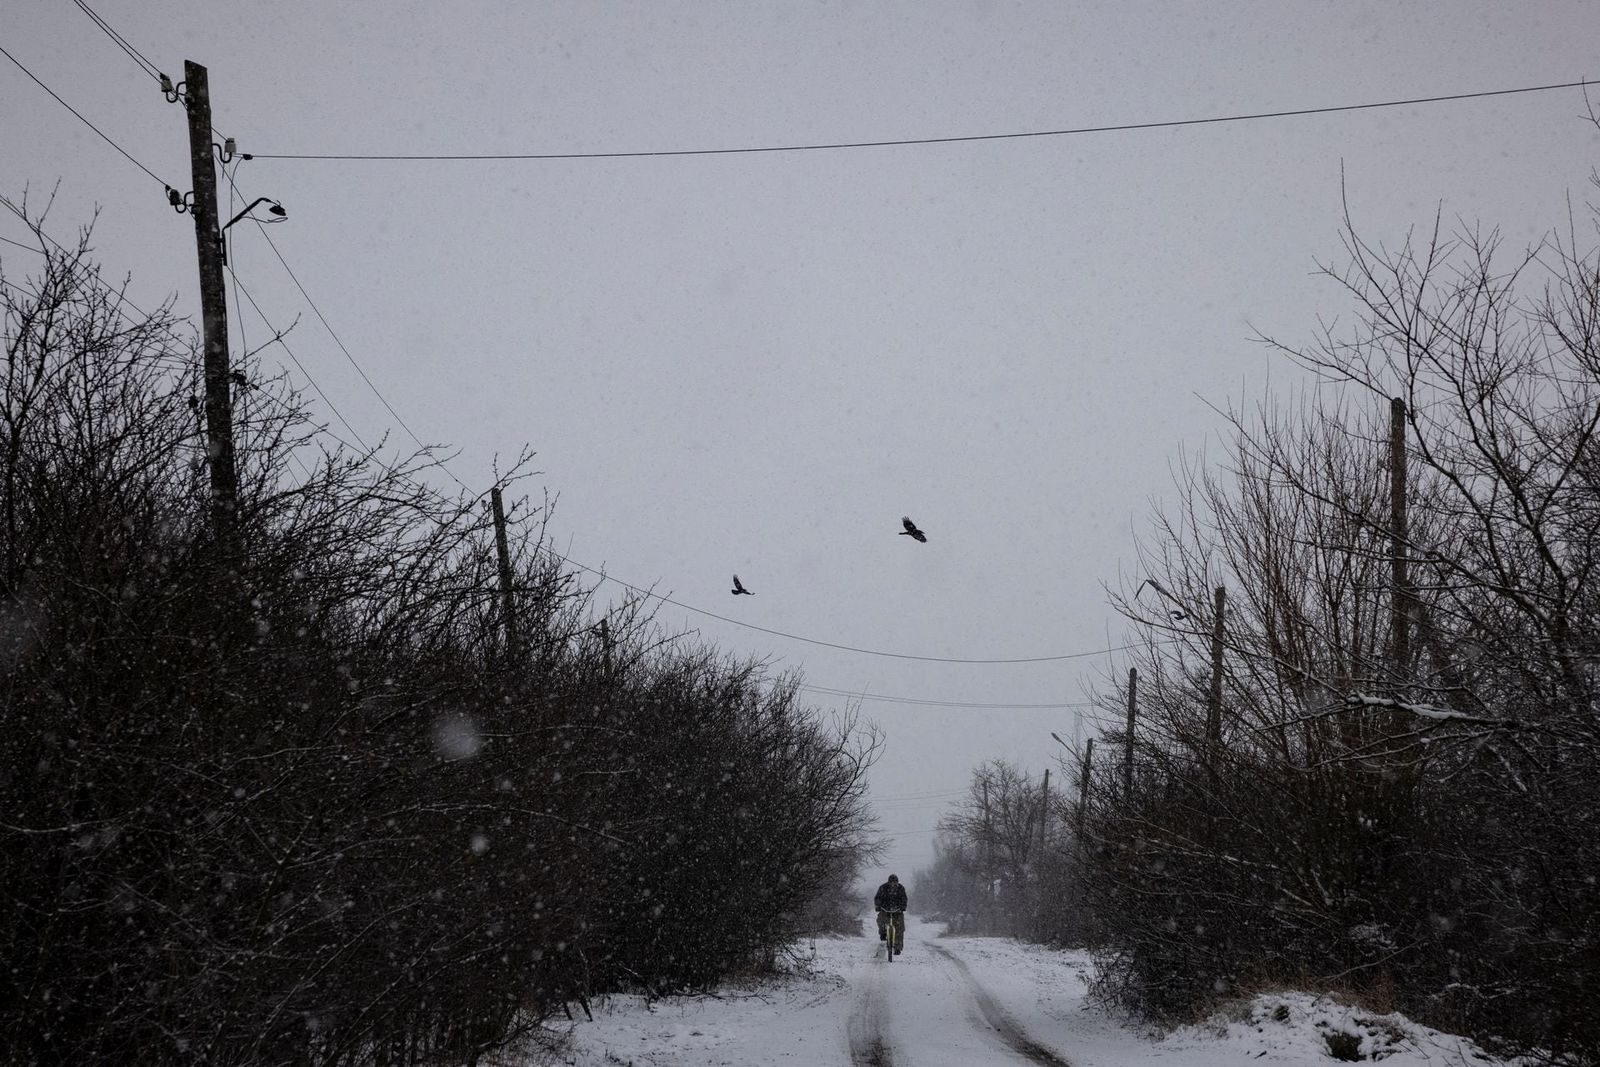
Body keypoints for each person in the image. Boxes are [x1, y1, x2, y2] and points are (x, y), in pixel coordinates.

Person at [874, 873, 907, 950]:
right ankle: (883, 933)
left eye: (895, 882)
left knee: (900, 927)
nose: (893, 884)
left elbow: (904, 899)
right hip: (885, 909)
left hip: (897, 910)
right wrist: (878, 906)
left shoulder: (901, 888)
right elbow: (878, 898)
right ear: (888, 882)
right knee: (880, 920)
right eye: (891, 882)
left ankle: (898, 947)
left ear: (897, 882)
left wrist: (903, 906)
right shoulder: (883, 888)